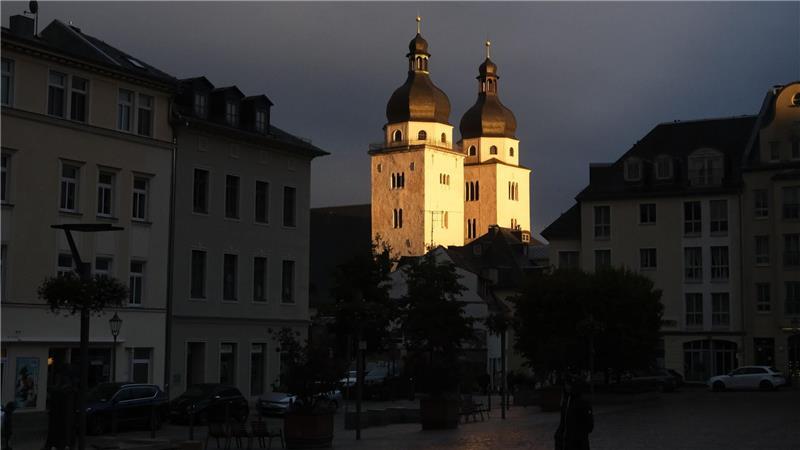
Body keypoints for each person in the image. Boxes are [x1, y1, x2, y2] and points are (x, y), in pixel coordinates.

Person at [554, 375, 594, 450]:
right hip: (565, 442)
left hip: (577, 443)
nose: (567, 387)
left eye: (569, 385)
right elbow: (563, 422)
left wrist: (577, 436)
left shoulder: (583, 403)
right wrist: (558, 435)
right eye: (566, 384)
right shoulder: (566, 402)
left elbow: (589, 426)